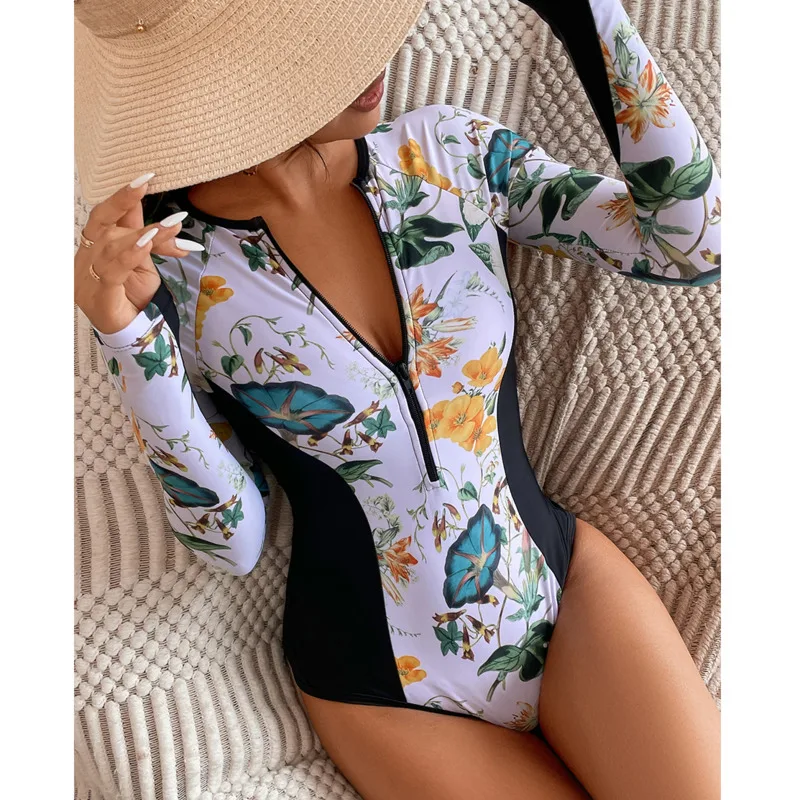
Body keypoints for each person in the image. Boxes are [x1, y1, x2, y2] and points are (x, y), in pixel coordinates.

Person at [73, 1, 721, 798]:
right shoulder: (169, 271)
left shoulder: (449, 154)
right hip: (384, 689)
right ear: (226, 73)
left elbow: (694, 241)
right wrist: (129, 338)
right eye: (323, 39)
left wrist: (586, 13)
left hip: (566, 593)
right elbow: (230, 539)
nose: (374, 55)